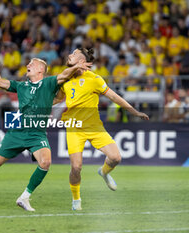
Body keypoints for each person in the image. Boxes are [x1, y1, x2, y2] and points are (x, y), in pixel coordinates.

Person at [0, 44, 91, 211]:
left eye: (32, 63)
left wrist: (76, 66)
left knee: (46, 162)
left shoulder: (48, 83)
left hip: (37, 134)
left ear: (41, 69)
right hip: (17, 131)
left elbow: (64, 75)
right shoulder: (21, 86)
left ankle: (25, 197)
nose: (28, 65)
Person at [53, 48, 149, 211]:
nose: (69, 55)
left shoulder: (94, 79)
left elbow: (114, 97)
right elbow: (57, 99)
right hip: (74, 127)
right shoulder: (65, 78)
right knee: (76, 167)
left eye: (74, 54)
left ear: (82, 62)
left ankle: (104, 172)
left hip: (94, 126)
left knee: (116, 158)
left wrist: (134, 111)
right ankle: (76, 199)